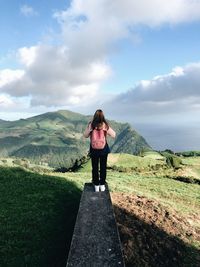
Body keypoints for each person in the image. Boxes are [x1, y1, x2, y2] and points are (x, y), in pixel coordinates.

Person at [83, 109, 116, 192]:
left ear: (95, 116)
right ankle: (102, 185)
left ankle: (96, 185)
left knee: (95, 168)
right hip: (103, 149)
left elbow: (85, 135)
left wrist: (90, 130)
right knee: (103, 167)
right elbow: (114, 135)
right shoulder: (104, 125)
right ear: (102, 116)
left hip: (94, 149)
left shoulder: (91, 125)